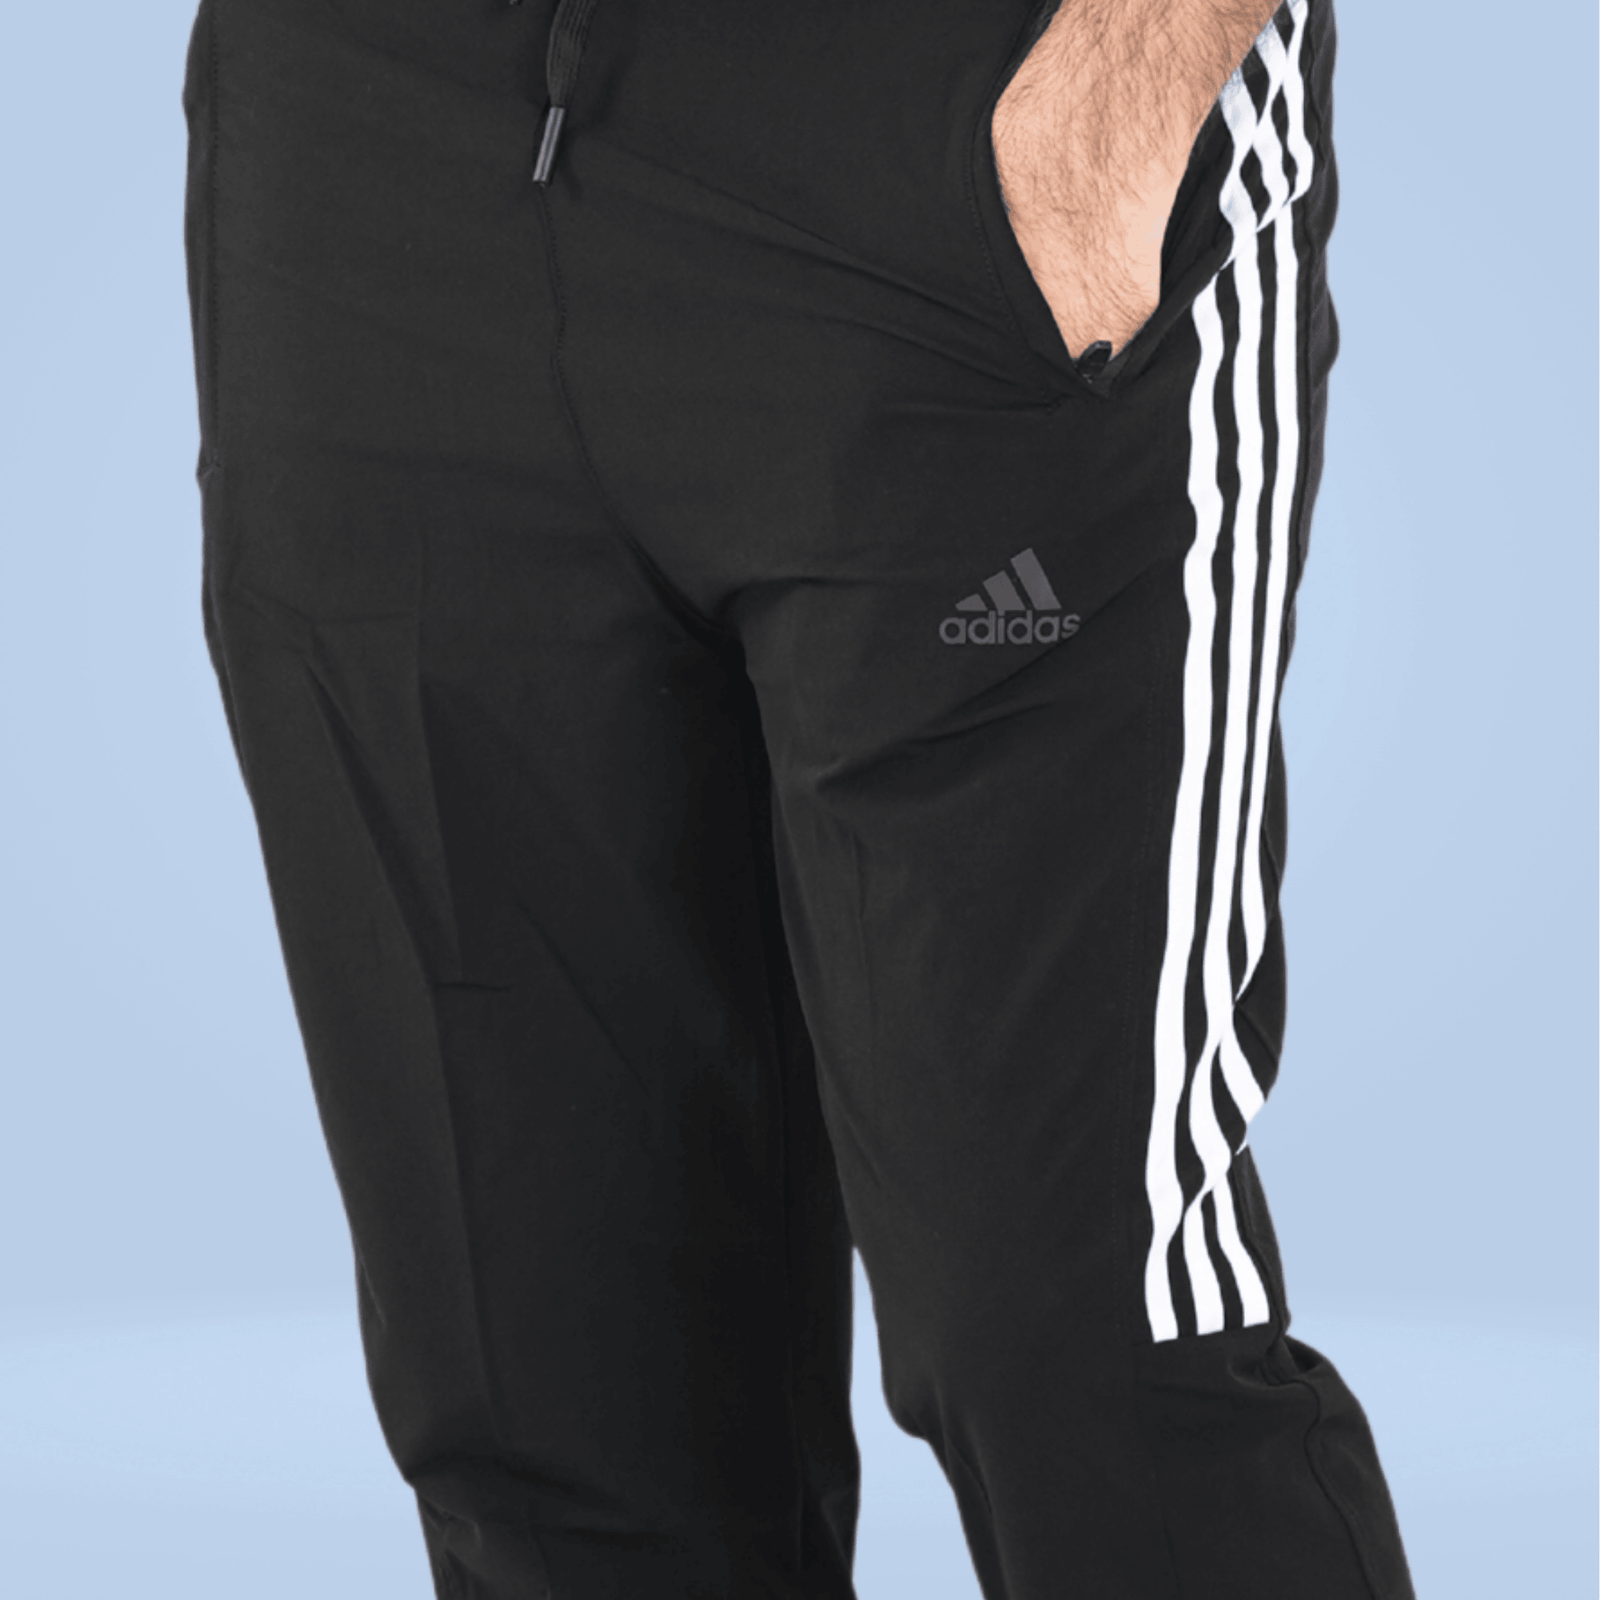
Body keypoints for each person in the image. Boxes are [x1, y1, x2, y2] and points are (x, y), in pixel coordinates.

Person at [180, 0, 1415, 1594]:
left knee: (1079, 1355)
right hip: (380, 156)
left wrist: (1118, 91)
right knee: (550, 1403)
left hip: (967, 138)